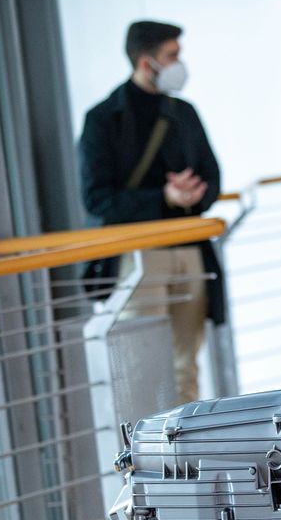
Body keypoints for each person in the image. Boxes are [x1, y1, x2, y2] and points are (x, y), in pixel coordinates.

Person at [79, 20, 225, 404]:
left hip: (190, 250)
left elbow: (212, 176)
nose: (180, 63)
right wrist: (164, 197)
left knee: (186, 368)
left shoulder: (184, 112)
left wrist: (193, 195)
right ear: (147, 62)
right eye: (172, 55)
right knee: (140, 371)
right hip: (138, 257)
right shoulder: (103, 119)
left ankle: (189, 442)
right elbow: (97, 199)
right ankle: (143, 443)